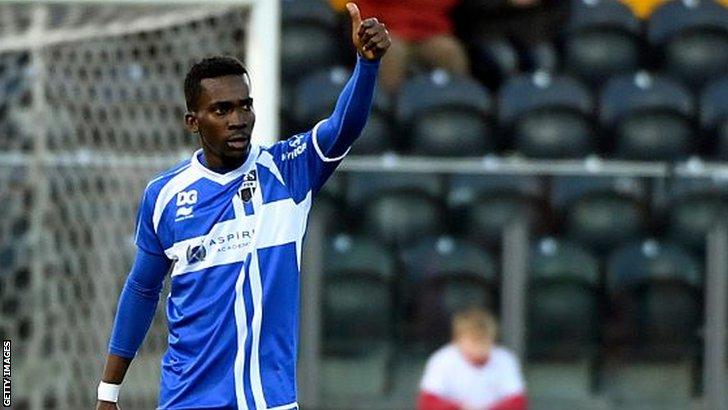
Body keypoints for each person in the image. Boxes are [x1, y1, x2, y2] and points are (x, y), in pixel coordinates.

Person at [95, 3, 390, 409]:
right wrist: (108, 391)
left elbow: (345, 127)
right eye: (222, 110)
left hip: (268, 401)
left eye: (245, 105)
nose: (239, 119)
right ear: (193, 121)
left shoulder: (289, 170)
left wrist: (366, 65)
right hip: (187, 400)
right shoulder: (163, 196)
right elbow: (142, 289)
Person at [344, 0, 469, 95]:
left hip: (428, 30)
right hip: (385, 27)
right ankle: (385, 112)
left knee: (449, 51)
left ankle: (457, 110)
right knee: (390, 52)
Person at [417, 307, 527, 410]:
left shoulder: (505, 360)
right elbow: (428, 402)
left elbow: (517, 401)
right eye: (473, 341)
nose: (479, 348)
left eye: (484, 341)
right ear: (457, 340)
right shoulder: (442, 360)